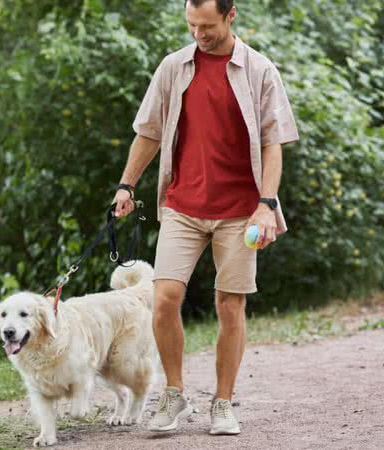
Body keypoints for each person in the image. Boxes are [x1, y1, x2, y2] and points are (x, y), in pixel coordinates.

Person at [112, 0, 299, 436]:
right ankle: (174, 395)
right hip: (182, 205)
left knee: (229, 304)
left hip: (242, 212)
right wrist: (126, 185)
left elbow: (274, 143)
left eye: (208, 26)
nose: (199, 34)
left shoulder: (259, 70)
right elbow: (150, 131)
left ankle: (222, 402)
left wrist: (267, 203)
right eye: (192, 25)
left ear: (231, 16)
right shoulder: (173, 67)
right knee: (163, 299)